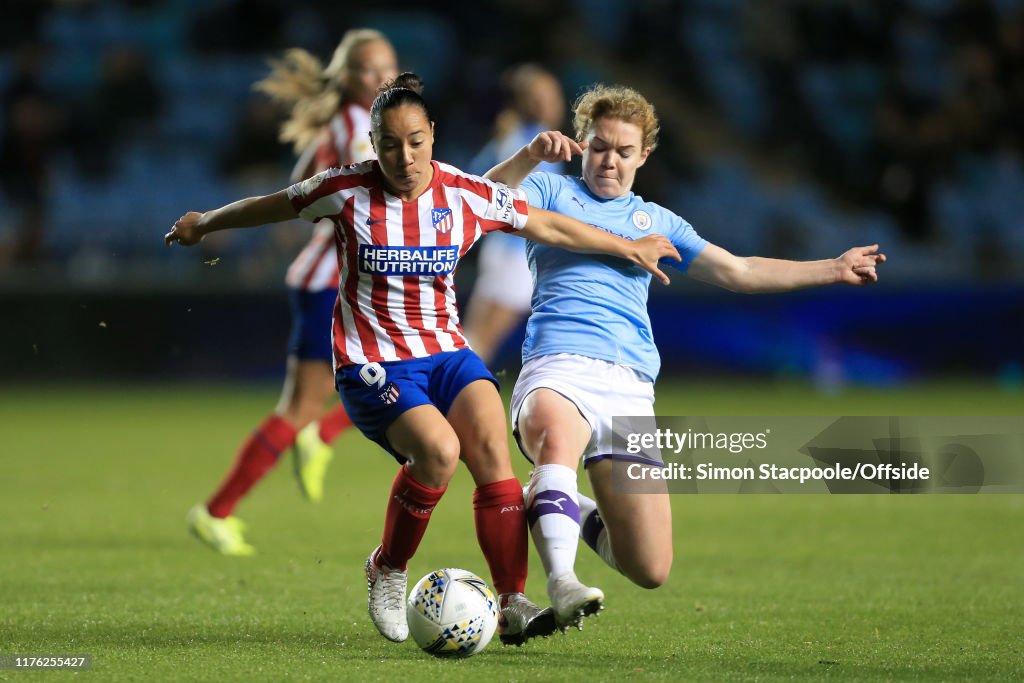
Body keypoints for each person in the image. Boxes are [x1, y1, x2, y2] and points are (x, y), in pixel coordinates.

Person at [166, 73, 680, 645]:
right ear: (373, 143)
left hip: (445, 352)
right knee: (439, 452)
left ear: (432, 135)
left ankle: (512, 600)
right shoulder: (344, 190)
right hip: (372, 362)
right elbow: (274, 205)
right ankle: (387, 567)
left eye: (415, 141)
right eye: (389, 144)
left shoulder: (463, 193)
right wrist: (204, 223)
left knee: (491, 450)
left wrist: (627, 246)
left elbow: (549, 224)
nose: (403, 156)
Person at [484, 83, 887, 631]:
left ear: (643, 156)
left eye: (624, 152)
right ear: (582, 144)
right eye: (600, 147)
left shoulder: (659, 223)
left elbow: (739, 271)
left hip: (629, 386)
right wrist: (528, 155)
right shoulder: (552, 193)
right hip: (560, 364)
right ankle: (562, 579)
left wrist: (833, 268)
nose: (610, 161)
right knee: (558, 440)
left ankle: (557, 500)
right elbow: (477, 198)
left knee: (649, 566)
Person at [186, 30, 398, 556]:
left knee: (405, 372)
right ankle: (219, 509)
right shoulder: (360, 128)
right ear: (346, 79)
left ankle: (310, 441)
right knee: (313, 403)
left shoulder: (345, 122)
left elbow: (303, 183)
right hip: (338, 279)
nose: (380, 78)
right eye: (367, 71)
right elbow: (369, 187)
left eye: (386, 67)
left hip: (332, 276)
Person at [462, 64, 567, 365]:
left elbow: (474, 175)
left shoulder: (515, 136)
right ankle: (450, 397)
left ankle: (444, 395)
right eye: (543, 96)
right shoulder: (538, 144)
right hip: (515, 251)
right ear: (527, 102)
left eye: (553, 95)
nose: (552, 103)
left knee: (475, 336)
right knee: (483, 340)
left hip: (502, 249)